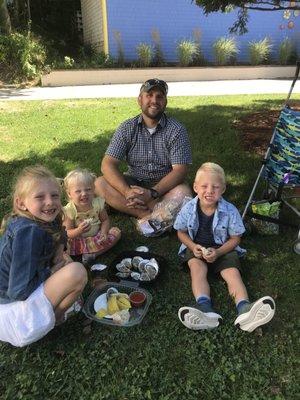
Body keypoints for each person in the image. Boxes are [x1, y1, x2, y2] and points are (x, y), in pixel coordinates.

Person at [174, 162, 275, 332]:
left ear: (223, 189)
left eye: (215, 187)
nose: (210, 191)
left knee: (232, 273)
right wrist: (192, 246)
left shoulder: (230, 211)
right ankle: (204, 308)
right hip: (196, 248)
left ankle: (245, 309)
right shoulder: (188, 208)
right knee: (197, 269)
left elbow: (236, 238)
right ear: (195, 187)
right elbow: (181, 232)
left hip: (223, 248)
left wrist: (219, 251)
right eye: (204, 186)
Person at [0, 165, 87, 347]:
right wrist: (51, 271)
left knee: (67, 262)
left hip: (11, 304)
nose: (50, 202)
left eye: (54, 195)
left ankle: (51, 313)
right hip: (13, 318)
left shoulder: (40, 218)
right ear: (21, 203)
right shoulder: (28, 232)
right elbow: (18, 291)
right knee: (76, 272)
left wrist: (59, 253)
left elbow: (60, 231)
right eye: (40, 197)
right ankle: (53, 321)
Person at [95, 78, 192, 218]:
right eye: (149, 95)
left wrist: (152, 193)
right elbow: (107, 164)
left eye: (159, 96)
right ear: (140, 100)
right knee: (99, 183)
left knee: (183, 193)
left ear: (165, 102)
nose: (154, 100)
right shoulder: (127, 128)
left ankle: (134, 207)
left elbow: (180, 171)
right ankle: (148, 215)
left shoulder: (176, 130)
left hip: (164, 187)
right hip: (133, 183)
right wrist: (127, 192)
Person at [63, 168, 121, 265]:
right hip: (78, 240)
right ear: (69, 194)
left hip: (96, 237)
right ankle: (78, 256)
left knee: (116, 232)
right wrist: (79, 230)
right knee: (63, 245)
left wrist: (103, 233)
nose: (84, 193)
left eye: (88, 189)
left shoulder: (98, 203)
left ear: (94, 189)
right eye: (78, 191)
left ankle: (92, 255)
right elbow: (67, 232)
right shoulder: (70, 210)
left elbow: (105, 220)